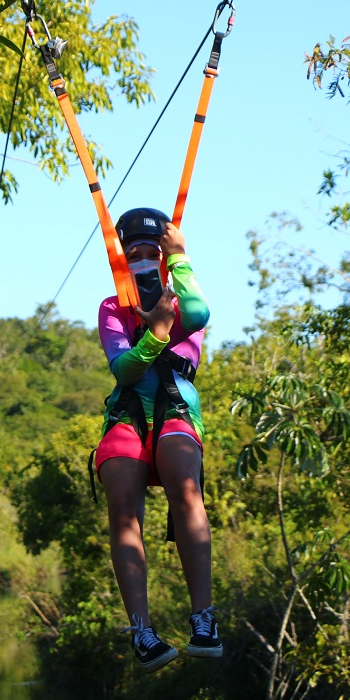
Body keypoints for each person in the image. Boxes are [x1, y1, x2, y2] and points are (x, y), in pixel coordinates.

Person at [93, 207, 220, 672]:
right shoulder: (114, 307)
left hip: (176, 406)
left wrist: (180, 259)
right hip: (127, 411)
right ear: (123, 260)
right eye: (136, 255)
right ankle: (141, 630)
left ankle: (203, 618)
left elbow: (200, 313)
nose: (145, 262)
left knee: (186, 487)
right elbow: (124, 368)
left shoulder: (181, 297)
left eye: (153, 254)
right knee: (122, 506)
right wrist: (156, 333)